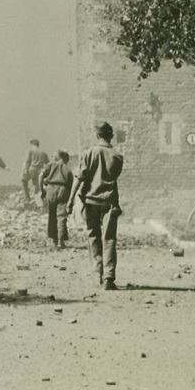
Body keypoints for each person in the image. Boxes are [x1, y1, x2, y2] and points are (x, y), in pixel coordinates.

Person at [68, 121, 124, 290]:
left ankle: (96, 273)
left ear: (97, 135)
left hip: (90, 201)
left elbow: (80, 178)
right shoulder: (117, 157)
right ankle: (109, 277)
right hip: (109, 203)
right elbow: (113, 180)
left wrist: (70, 200)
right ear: (110, 136)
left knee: (93, 237)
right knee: (109, 239)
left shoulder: (89, 153)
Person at [40, 149, 74, 248]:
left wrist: (42, 190)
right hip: (63, 190)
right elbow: (71, 185)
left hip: (50, 189)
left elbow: (40, 176)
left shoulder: (50, 165)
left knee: (52, 215)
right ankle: (60, 241)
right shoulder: (68, 169)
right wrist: (71, 200)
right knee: (61, 216)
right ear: (64, 158)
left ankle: (54, 240)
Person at [20, 138, 49, 204]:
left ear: (32, 145)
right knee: (38, 187)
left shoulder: (30, 151)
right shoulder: (43, 152)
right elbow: (48, 163)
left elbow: (27, 161)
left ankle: (27, 198)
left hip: (33, 169)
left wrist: (24, 170)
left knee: (22, 180)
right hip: (41, 170)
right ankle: (39, 203)